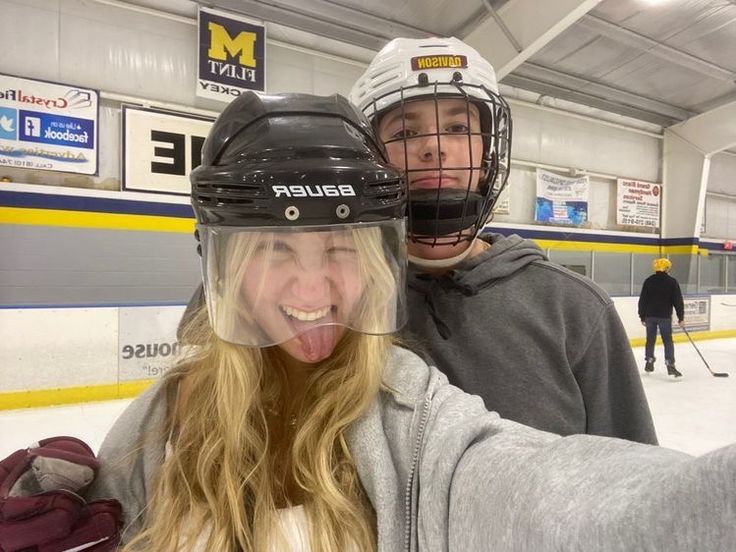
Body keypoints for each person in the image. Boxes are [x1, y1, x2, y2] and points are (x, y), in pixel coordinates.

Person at [81, 91, 736, 551]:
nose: (313, 285)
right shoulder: (162, 429)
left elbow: (544, 494)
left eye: (340, 246)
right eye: (274, 247)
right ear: (225, 268)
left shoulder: (406, 412)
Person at [348, 37, 658, 443]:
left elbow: (630, 476)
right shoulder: (343, 298)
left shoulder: (574, 309)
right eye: (406, 132)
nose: (435, 148)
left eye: (458, 127)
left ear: (487, 149)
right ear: (373, 156)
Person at [638, 257, 685, 377]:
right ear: (666, 268)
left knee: (650, 339)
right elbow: (678, 301)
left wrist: (642, 316)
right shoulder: (672, 282)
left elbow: (642, 300)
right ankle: (670, 365)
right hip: (664, 316)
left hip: (650, 316)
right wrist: (681, 317)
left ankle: (649, 360)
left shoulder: (648, 281)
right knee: (667, 341)